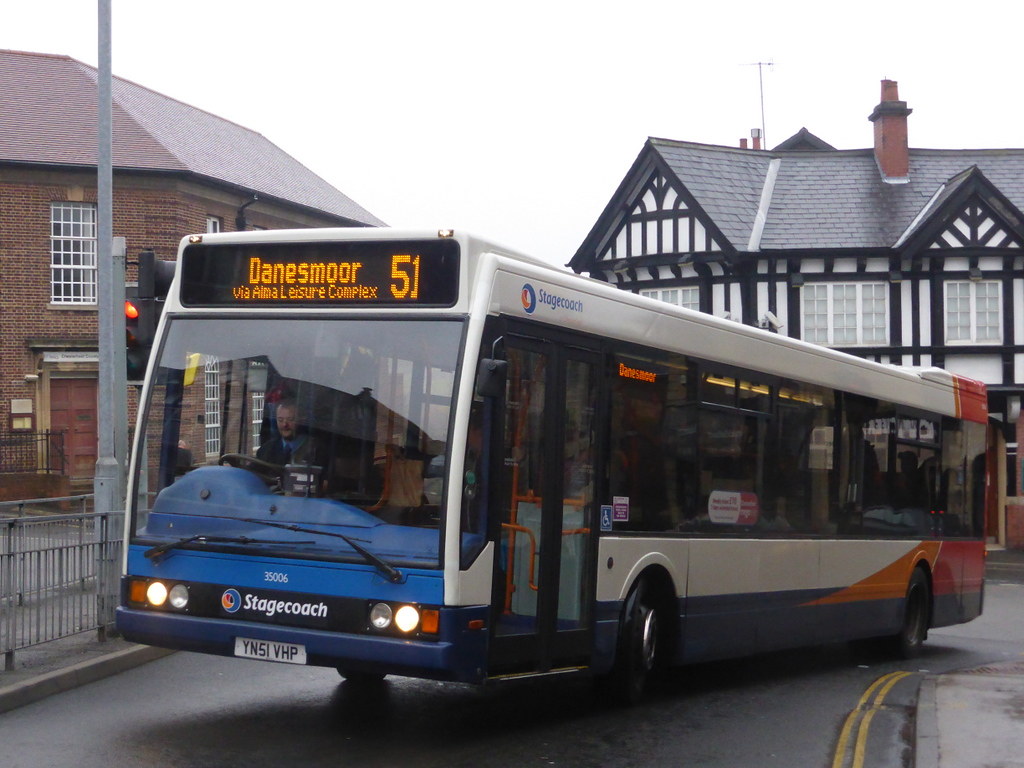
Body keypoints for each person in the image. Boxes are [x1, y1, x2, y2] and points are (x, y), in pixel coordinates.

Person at [257, 399, 322, 466]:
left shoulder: (318, 450)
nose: (284, 424)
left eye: (290, 419)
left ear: (302, 420)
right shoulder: (265, 450)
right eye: (280, 420)